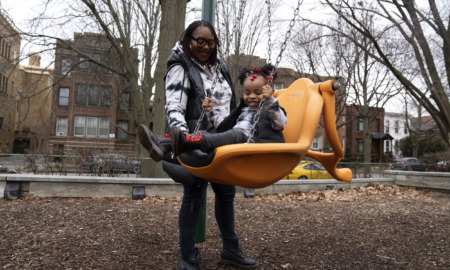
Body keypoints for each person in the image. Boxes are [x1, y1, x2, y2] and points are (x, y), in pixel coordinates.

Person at [139, 20, 257, 270]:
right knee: (194, 196)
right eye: (199, 40)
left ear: (216, 44)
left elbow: (224, 104)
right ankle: (188, 256)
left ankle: (230, 250)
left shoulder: (220, 67)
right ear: (188, 40)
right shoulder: (181, 66)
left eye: (210, 42)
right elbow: (174, 106)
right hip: (196, 139)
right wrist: (182, 137)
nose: (204, 46)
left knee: (226, 195)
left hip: (222, 140)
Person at [170, 64, 287, 156]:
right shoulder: (242, 111)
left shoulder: (270, 109)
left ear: (267, 92)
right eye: (247, 93)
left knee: (230, 135)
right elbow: (224, 125)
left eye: (258, 93)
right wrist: (210, 111)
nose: (251, 96)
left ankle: (190, 141)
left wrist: (270, 100)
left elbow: (281, 123)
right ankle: (166, 144)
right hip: (236, 137)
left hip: (253, 143)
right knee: (213, 134)